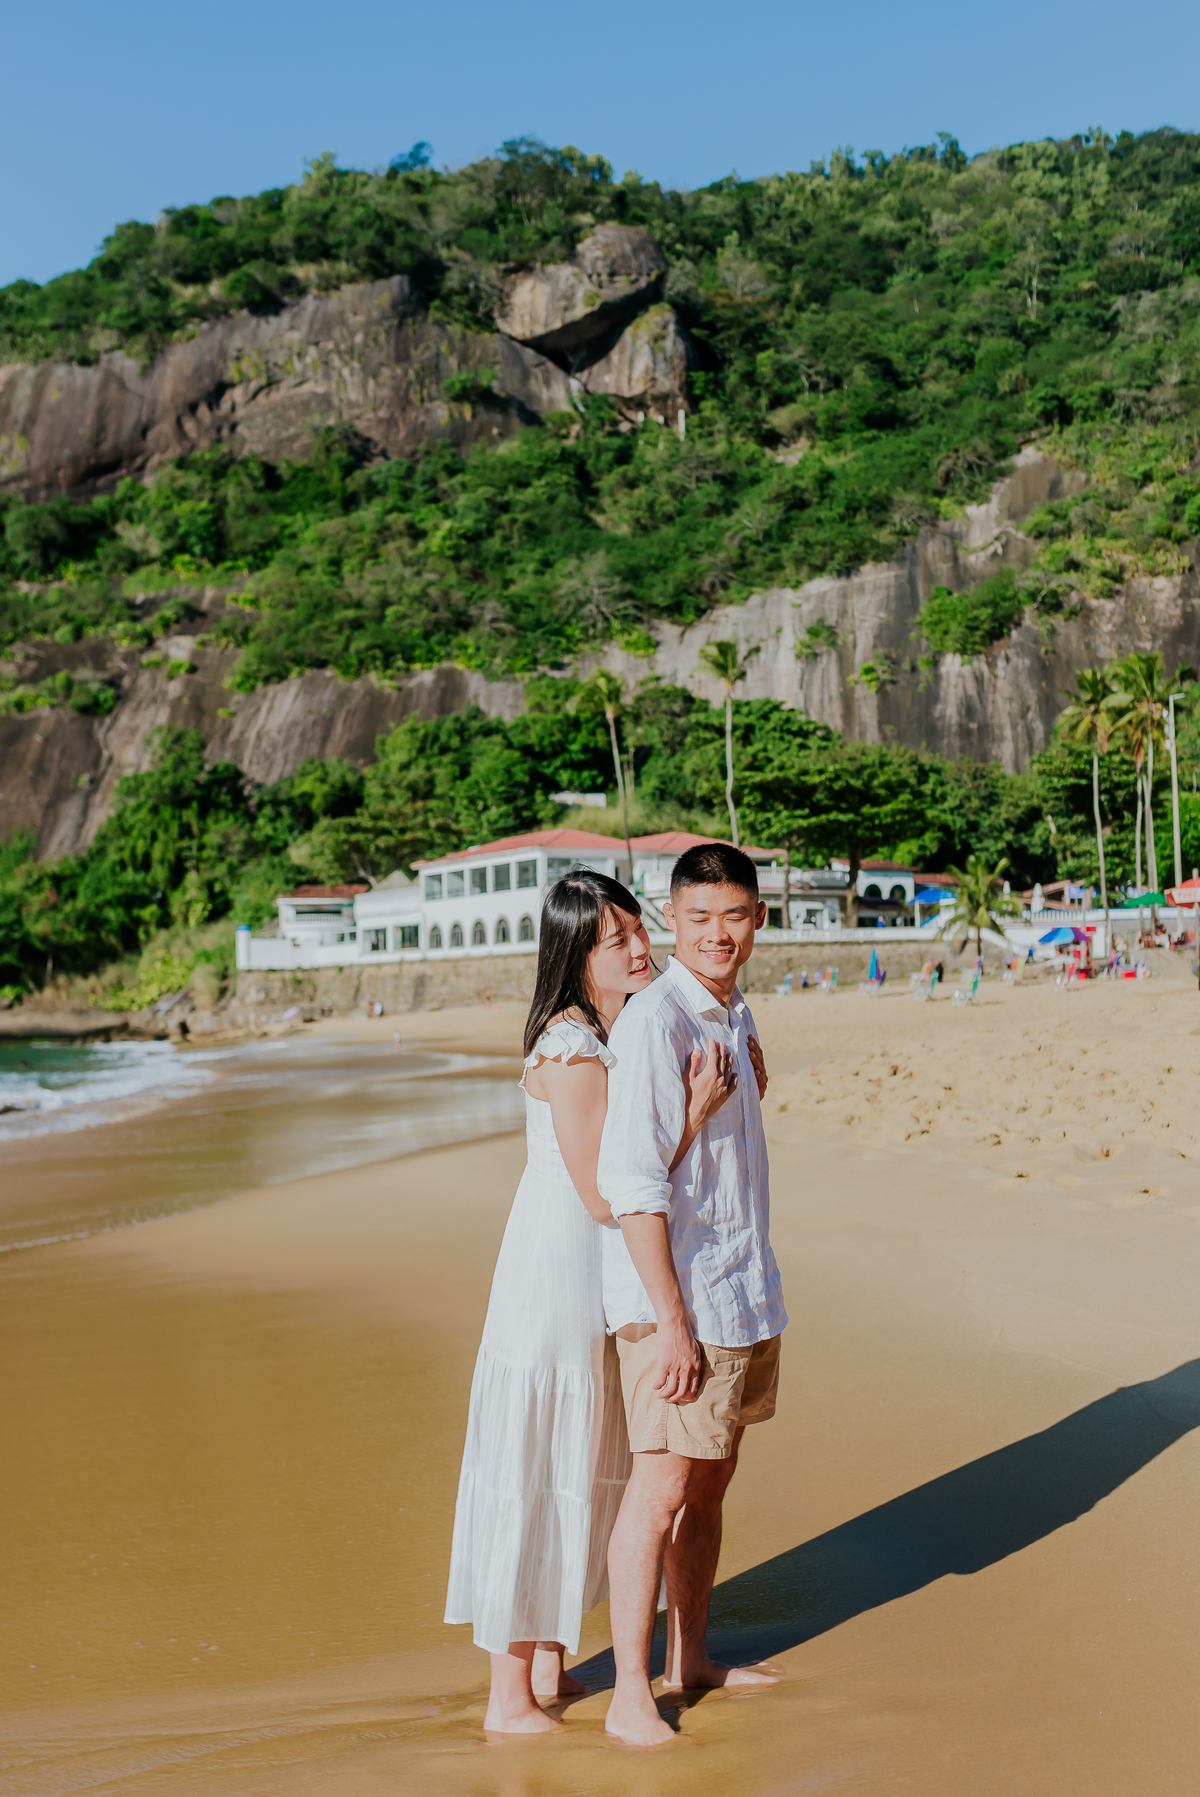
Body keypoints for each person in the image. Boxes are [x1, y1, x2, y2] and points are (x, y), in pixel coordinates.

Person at [444, 869, 737, 1734]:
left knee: (573, 1462)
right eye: (619, 941)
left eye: (638, 930)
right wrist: (693, 1112)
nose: (641, 947)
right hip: (556, 1277)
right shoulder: (571, 1046)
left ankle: (547, 1666)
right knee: (539, 1466)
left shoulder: (600, 1031)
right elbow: (606, 1194)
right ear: (578, 955)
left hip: (583, 1272)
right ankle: (509, 1696)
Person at [597, 843, 786, 1746]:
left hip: (742, 1288)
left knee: (711, 1483)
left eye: (735, 916)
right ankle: (630, 1689)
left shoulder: (733, 1004)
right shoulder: (654, 1024)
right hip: (679, 1301)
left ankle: (691, 1658)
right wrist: (670, 1322)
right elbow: (633, 1185)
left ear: (757, 918)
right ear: (674, 919)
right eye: (701, 918)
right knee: (662, 1484)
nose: (719, 933)